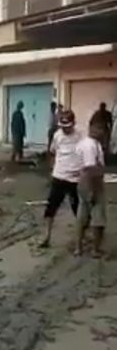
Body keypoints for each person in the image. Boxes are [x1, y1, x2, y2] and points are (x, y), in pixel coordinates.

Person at [39, 110, 81, 248]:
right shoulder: (57, 136)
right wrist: (52, 169)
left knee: (78, 209)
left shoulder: (80, 136)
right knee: (50, 208)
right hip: (59, 176)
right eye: (63, 126)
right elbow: (52, 152)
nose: (65, 129)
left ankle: (82, 238)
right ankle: (46, 237)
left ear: (73, 124)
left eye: (67, 126)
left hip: (75, 179)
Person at [75, 122, 106, 257]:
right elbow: (90, 169)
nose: (103, 133)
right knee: (97, 218)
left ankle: (79, 248)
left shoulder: (86, 143)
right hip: (92, 182)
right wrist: (92, 190)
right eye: (101, 129)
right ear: (93, 129)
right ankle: (94, 249)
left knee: (82, 215)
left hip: (84, 182)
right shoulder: (91, 146)